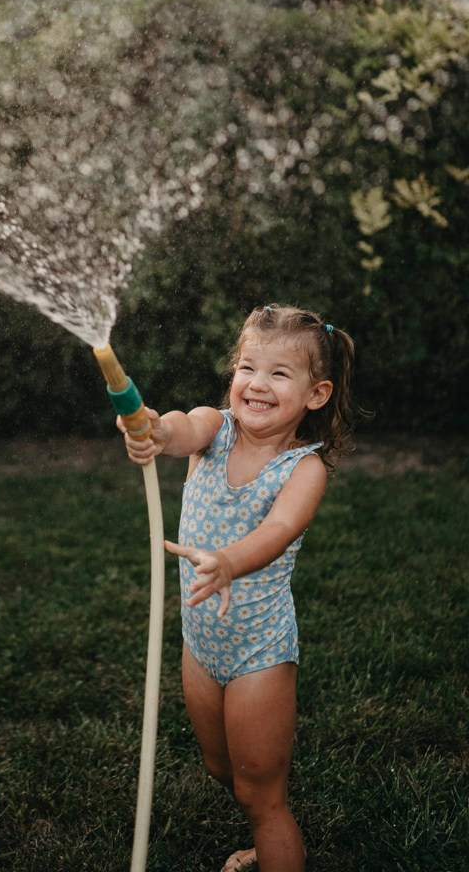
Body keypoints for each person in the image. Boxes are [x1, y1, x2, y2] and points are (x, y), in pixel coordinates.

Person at [119, 304, 356, 872]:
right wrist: (149, 427)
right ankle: (257, 832)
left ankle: (270, 839)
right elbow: (178, 427)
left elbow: (277, 531)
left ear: (315, 394)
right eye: (248, 367)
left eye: (279, 373)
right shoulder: (216, 428)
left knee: (262, 795)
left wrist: (227, 560)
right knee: (221, 769)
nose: (257, 383)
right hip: (201, 644)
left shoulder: (304, 469)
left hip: (258, 653)